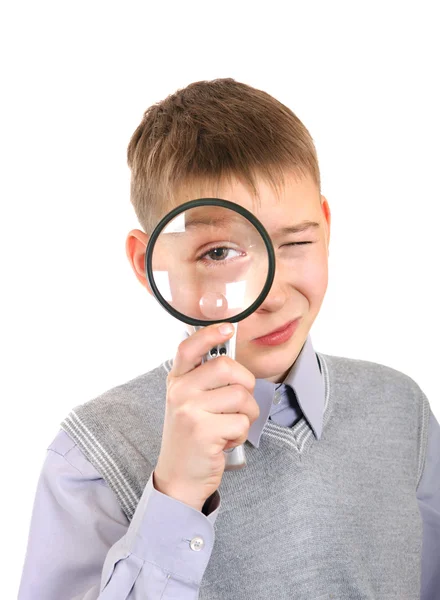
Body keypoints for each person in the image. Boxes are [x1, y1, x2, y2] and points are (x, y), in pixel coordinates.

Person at [18, 78, 440, 599]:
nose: (273, 295)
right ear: (148, 264)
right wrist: (174, 498)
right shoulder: (92, 456)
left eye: (296, 241)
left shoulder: (403, 411)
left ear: (326, 228)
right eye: (220, 253)